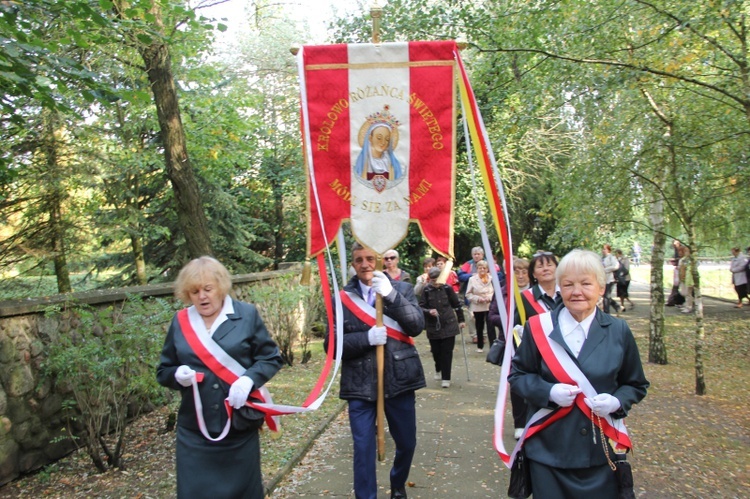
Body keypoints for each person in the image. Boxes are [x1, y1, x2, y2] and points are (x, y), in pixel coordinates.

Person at [508, 249, 649, 498]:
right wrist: (548, 391)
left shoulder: (619, 330)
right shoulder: (537, 327)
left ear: (601, 288)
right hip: (548, 452)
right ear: (560, 288)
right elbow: (518, 375)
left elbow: (635, 384)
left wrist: (617, 401)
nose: (576, 292)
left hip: (601, 455)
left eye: (586, 283)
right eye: (568, 284)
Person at [156, 256, 284, 499]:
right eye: (195, 291)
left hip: (239, 428)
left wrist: (248, 379)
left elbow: (271, 358)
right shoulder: (180, 322)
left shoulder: (246, 315)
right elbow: (163, 371)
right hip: (195, 432)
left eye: (207, 289)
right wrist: (177, 375)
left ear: (221, 287)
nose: (202, 297)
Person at [325, 242, 425, 499]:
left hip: (398, 377)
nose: (365, 264)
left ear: (379, 260)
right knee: (363, 447)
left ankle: (397, 483)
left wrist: (391, 295)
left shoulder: (402, 288)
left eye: (370, 258)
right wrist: (366, 338)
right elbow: (331, 346)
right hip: (359, 382)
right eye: (359, 260)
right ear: (353, 264)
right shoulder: (342, 298)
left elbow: (416, 325)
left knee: (407, 443)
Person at [488, 257, 530, 439]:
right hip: (511, 343)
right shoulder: (503, 291)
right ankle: (520, 423)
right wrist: (507, 322)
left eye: (524, 271)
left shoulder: (536, 293)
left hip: (536, 343)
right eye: (516, 271)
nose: (520, 275)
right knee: (516, 381)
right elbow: (492, 315)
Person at [419, 266, 465, 388]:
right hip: (433, 325)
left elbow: (457, 305)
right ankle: (438, 368)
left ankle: (446, 377)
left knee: (447, 352)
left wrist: (461, 320)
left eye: (437, 279)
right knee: (436, 351)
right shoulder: (426, 290)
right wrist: (429, 311)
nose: (435, 282)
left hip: (449, 323)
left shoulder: (447, 288)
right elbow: (420, 307)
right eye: (433, 280)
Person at [517, 251, 562, 324]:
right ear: (533, 274)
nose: (545, 269)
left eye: (549, 265)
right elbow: (518, 326)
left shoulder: (567, 292)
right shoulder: (524, 297)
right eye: (540, 267)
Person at [465, 260, 495, 353]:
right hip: (478, 306)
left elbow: (495, 292)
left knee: (491, 326)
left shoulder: (492, 278)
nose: (482, 270)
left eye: (484, 268)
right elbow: (468, 294)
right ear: (477, 269)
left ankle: (493, 347)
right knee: (479, 326)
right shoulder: (472, 279)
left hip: (489, 305)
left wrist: (489, 297)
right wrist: (478, 298)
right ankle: (480, 346)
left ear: (487, 269)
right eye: (480, 268)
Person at [601, 244, 622, 315]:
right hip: (604, 280)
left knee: (606, 296)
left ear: (608, 250)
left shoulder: (611, 257)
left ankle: (606, 313)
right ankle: (617, 306)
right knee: (605, 296)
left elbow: (616, 266)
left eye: (605, 249)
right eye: (603, 249)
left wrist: (605, 269)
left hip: (610, 279)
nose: (603, 250)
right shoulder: (602, 258)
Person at [678, 245, 695, 313]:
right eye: (685, 251)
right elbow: (681, 268)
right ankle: (688, 304)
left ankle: (689, 307)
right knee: (684, 293)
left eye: (687, 251)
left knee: (688, 293)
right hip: (683, 278)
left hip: (689, 279)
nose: (686, 252)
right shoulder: (683, 259)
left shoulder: (691, 260)